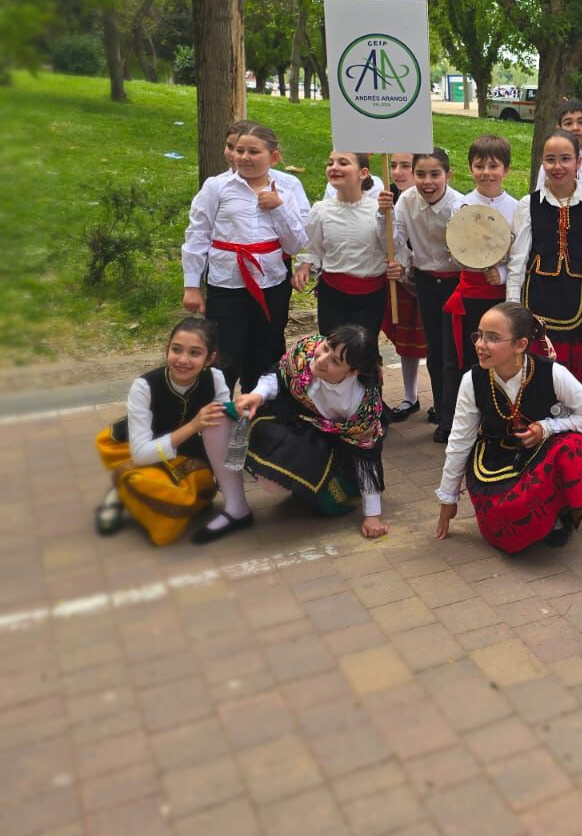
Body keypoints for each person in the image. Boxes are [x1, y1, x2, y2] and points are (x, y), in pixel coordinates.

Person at [434, 303, 582, 553]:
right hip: (498, 455)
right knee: (504, 525)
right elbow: (460, 440)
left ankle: (561, 511)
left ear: (520, 344)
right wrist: (447, 498)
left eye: (492, 338)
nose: (480, 345)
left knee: (572, 447)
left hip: (545, 452)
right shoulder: (472, 380)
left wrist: (547, 427)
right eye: (479, 335)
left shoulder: (552, 373)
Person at [199, 325, 390, 544]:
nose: (321, 359)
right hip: (294, 422)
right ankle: (236, 508)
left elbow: (367, 453)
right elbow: (278, 375)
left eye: (335, 361)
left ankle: (311, 485)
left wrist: (372, 516)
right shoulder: (305, 349)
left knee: (328, 504)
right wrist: (257, 396)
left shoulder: (362, 404)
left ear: (352, 372)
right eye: (326, 347)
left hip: (333, 450)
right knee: (218, 417)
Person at [182, 123, 310, 391]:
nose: (243, 157)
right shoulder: (217, 187)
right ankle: (218, 407)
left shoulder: (285, 190)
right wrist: (192, 285)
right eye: (239, 150)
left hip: (270, 282)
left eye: (253, 152)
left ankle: (259, 406)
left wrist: (279, 208)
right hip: (227, 283)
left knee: (266, 348)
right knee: (224, 352)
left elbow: (296, 242)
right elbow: (198, 234)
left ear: (274, 157)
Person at [94, 317, 234, 545]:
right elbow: (141, 453)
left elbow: (224, 430)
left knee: (201, 488)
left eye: (194, 353)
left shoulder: (215, 379)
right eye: (176, 349)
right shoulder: (144, 386)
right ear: (167, 348)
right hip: (134, 450)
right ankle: (120, 490)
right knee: (166, 498)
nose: (183, 359)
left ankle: (131, 487)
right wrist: (193, 426)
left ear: (210, 358)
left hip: (186, 451)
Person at [508, 129, 582, 388]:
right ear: (542, 162)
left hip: (579, 299)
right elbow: (518, 259)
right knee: (537, 377)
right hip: (537, 297)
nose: (557, 166)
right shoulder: (528, 205)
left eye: (565, 159)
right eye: (550, 159)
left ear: (578, 162)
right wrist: (513, 307)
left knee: (576, 381)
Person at [442, 134, 518, 412]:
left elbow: (519, 253)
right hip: (470, 294)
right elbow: (456, 248)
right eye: (479, 166)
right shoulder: (461, 205)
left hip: (500, 296)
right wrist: (468, 260)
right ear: (470, 168)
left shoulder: (516, 207)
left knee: (500, 356)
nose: (486, 172)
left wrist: (502, 272)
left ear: (506, 169)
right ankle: (461, 418)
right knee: (468, 358)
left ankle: (499, 413)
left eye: (493, 166)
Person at [293, 151, 405, 339]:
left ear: (363, 173)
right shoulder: (321, 210)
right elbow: (314, 248)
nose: (334, 167)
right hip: (332, 293)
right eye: (330, 163)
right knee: (332, 345)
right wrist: (305, 266)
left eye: (343, 163)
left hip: (370, 296)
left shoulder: (378, 211)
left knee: (362, 347)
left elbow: (392, 247)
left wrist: (385, 215)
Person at [398, 149, 465, 442]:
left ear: (448, 175)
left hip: (456, 282)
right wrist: (382, 215)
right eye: (421, 174)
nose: (427, 182)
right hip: (426, 281)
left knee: (454, 351)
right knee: (434, 349)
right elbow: (394, 239)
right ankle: (441, 408)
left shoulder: (460, 205)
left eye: (435, 174)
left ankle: (454, 417)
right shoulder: (406, 201)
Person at [380, 152, 424, 421]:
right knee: (407, 342)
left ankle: (443, 399)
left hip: (431, 278)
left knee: (437, 342)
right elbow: (388, 240)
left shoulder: (433, 196)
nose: (397, 172)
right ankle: (410, 396)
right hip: (401, 280)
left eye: (405, 166)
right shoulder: (388, 199)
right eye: (393, 165)